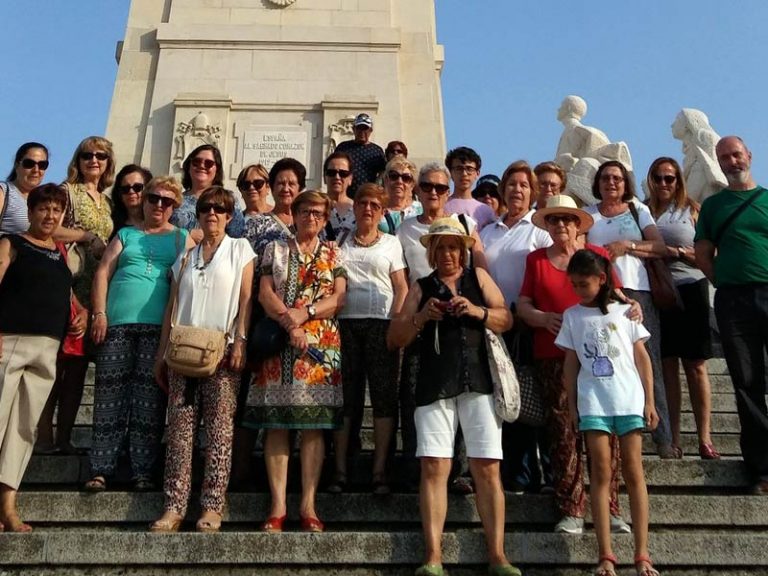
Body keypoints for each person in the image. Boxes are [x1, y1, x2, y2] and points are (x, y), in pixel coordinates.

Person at [388, 218, 521, 576]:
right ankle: (433, 556)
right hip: (434, 383)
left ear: (462, 250)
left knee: (487, 468)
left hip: (478, 379)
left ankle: (498, 555)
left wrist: (476, 311)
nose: (447, 253)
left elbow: (506, 318)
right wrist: (421, 318)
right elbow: (395, 337)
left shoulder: (478, 278)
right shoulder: (420, 286)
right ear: (431, 252)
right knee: (433, 467)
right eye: (440, 247)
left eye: (453, 246)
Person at [518, 194, 639, 534]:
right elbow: (523, 304)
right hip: (554, 356)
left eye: (567, 220)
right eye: (554, 220)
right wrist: (541, 318)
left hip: (600, 357)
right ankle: (571, 508)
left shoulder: (598, 256)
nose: (560, 226)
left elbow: (617, 297)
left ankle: (611, 508)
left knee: (606, 433)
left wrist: (634, 308)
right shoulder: (536, 260)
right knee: (563, 432)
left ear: (576, 224)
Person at [150, 186, 255, 533]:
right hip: (182, 351)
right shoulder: (185, 257)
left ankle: (211, 505)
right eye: (207, 208)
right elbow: (172, 307)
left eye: (220, 209)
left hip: (221, 351)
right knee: (179, 433)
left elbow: (246, 301)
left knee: (220, 432)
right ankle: (175, 505)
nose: (212, 213)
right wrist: (161, 353)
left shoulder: (241, 249)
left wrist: (240, 340)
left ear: (229, 216)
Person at [243, 190, 347, 533]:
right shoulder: (276, 248)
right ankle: (277, 504)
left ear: (326, 217)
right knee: (276, 423)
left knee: (313, 425)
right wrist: (290, 323)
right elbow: (265, 292)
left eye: (318, 213)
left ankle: (308, 503)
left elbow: (339, 297)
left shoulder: (334, 251)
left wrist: (307, 314)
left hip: (320, 346)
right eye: (305, 211)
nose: (311, 218)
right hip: (280, 342)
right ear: (296, 213)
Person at [556, 249, 660, 576]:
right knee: (600, 474)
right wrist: (571, 405)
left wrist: (650, 401)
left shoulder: (626, 312)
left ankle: (642, 554)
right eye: (573, 284)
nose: (578, 290)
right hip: (594, 401)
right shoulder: (573, 315)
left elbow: (642, 358)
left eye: (584, 284)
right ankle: (606, 554)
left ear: (602, 280)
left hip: (628, 399)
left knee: (633, 473)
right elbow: (570, 364)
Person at [85, 176, 193, 493]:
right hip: (116, 322)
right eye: (154, 198)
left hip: (157, 328)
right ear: (143, 201)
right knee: (108, 398)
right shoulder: (126, 234)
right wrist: (99, 313)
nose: (159, 205)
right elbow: (103, 271)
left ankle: (142, 470)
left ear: (175, 207)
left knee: (149, 402)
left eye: (167, 201)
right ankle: (101, 468)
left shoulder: (181, 238)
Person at [585, 160, 675, 459]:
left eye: (618, 179)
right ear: (597, 182)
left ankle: (663, 437)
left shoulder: (638, 209)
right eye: (606, 178)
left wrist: (628, 246)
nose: (612, 183)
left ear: (626, 184)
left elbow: (659, 247)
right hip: (603, 295)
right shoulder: (588, 214)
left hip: (639, 292)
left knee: (648, 361)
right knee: (608, 363)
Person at [0, 184, 76, 532]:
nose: (50, 216)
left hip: (47, 346)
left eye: (56, 210)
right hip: (9, 340)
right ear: (30, 212)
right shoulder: (12, 243)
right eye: (44, 209)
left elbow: (63, 294)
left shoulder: (58, 252)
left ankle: (8, 504)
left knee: (24, 428)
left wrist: (79, 315)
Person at [695, 136, 768, 493]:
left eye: (736, 155)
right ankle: (761, 468)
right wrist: (722, 279)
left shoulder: (767, 199)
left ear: (748, 156)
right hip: (734, 300)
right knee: (746, 380)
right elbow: (703, 251)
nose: (731, 162)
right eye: (724, 157)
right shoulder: (714, 206)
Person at [37, 136, 115, 455]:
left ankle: (65, 438)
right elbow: (48, 228)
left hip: (91, 291)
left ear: (109, 163)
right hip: (65, 288)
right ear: (77, 160)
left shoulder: (107, 202)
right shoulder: (67, 191)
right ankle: (43, 437)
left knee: (77, 373)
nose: (93, 160)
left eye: (100, 156)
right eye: (87, 155)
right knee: (54, 370)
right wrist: (86, 235)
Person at [329, 183, 408, 495]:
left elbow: (401, 286)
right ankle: (339, 470)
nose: (368, 209)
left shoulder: (391, 243)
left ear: (382, 210)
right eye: (363, 203)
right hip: (346, 324)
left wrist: (396, 322)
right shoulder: (340, 240)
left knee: (383, 398)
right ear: (356, 206)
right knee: (346, 401)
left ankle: (379, 471)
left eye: (375, 205)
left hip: (380, 324)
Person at [479, 160, 552, 494]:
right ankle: (516, 476)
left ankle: (546, 474)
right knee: (505, 398)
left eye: (523, 185)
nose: (517, 190)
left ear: (532, 191)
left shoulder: (539, 231)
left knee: (535, 400)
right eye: (511, 184)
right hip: (496, 325)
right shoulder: (487, 231)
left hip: (530, 324)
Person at [234, 158, 303, 488]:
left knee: (293, 397)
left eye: (292, 182)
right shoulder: (254, 223)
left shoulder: (313, 218)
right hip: (263, 318)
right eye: (279, 182)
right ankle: (242, 470)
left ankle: (290, 474)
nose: (285, 187)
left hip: (305, 323)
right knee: (250, 392)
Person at [646, 156, 718, 460]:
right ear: (650, 179)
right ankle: (674, 437)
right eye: (659, 178)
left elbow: (706, 253)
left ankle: (704, 437)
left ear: (678, 181)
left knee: (696, 365)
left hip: (691, 288)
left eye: (670, 178)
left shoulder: (692, 209)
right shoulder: (643, 211)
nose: (664, 184)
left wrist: (673, 251)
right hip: (660, 293)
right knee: (667, 367)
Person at [170, 144, 245, 241]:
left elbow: (237, 234)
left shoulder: (228, 198)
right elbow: (159, 229)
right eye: (196, 162)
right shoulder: (175, 199)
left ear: (216, 170)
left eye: (208, 163)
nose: (201, 166)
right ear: (189, 166)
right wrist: (187, 235)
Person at [1, 142, 49, 235]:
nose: (36, 170)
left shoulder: (45, 200)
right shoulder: (3, 192)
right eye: (29, 163)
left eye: (42, 165)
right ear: (16, 165)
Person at [444, 146, 496, 230]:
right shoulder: (442, 205)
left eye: (469, 169)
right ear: (450, 172)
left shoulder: (486, 211)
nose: (464, 174)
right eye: (459, 169)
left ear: (477, 173)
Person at [334, 113, 386, 197]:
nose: (362, 132)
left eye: (365, 129)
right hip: (344, 194)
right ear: (353, 129)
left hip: (368, 195)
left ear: (370, 130)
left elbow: (383, 173)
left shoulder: (377, 151)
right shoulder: (343, 147)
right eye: (359, 128)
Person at [379, 155, 421, 234]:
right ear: (386, 180)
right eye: (394, 176)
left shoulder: (422, 211)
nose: (399, 181)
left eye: (406, 178)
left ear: (412, 185)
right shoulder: (375, 209)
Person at [110, 164, 153, 237]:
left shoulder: (157, 222)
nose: (131, 191)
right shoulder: (111, 225)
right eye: (125, 189)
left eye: (137, 187)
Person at [323, 151, 355, 239]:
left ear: (350, 179)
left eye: (343, 173)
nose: (337, 177)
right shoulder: (315, 207)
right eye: (331, 173)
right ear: (324, 177)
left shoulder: (359, 209)